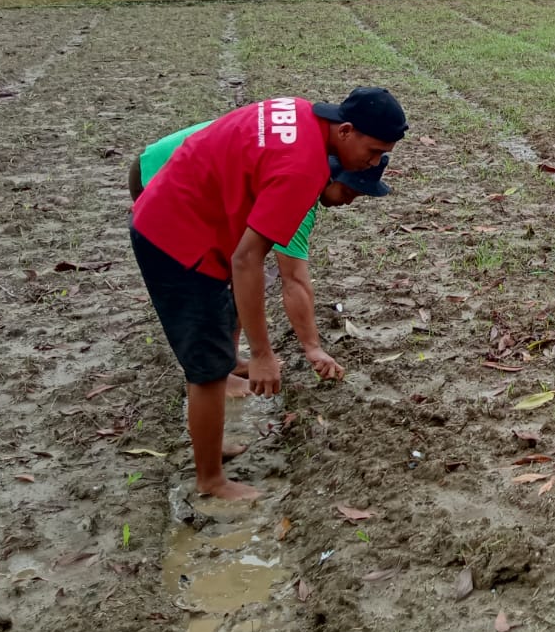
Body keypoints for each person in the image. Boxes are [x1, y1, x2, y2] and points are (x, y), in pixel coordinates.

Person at [130, 87, 407, 501]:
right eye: (372, 151)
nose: (373, 163)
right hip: (174, 235)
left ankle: (211, 438)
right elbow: (248, 262)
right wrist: (261, 354)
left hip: (184, 208)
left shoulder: (301, 113)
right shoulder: (302, 172)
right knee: (207, 369)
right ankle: (210, 481)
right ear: (346, 131)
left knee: (218, 332)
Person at [131, 122, 393, 387]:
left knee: (238, 266)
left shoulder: (305, 162)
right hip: (160, 173)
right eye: (347, 191)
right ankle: (215, 378)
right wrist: (311, 348)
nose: (348, 202)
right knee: (206, 281)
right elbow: (294, 280)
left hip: (184, 169)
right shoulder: (298, 186)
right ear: (332, 173)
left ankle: (228, 361)